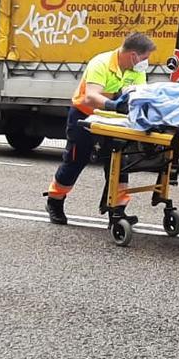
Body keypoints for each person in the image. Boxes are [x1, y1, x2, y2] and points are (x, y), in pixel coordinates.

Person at [44, 33, 156, 225]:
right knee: (76, 160)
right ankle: (55, 200)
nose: (146, 62)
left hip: (114, 121)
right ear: (133, 55)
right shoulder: (101, 63)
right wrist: (114, 105)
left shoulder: (136, 70)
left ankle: (117, 211)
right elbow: (90, 97)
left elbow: (139, 95)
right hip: (84, 116)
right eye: (145, 58)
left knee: (119, 162)